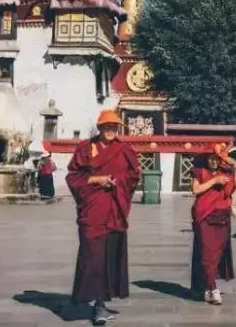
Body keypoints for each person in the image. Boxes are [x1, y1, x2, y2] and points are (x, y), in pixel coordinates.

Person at [67, 110, 141, 326]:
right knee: (93, 256)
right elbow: (73, 177)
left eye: (114, 126)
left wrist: (118, 180)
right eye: (106, 126)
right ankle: (95, 301)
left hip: (115, 211)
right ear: (99, 127)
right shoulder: (85, 148)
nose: (110, 130)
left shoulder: (124, 149)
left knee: (109, 257)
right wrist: (96, 179)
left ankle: (101, 302)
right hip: (93, 211)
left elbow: (134, 175)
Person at [190, 146, 236, 305]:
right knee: (207, 254)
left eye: (216, 158)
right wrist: (214, 181)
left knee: (216, 254)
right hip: (204, 217)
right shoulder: (200, 172)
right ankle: (213, 288)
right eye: (211, 158)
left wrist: (230, 163)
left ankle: (208, 289)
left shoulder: (226, 172)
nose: (213, 161)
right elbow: (196, 190)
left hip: (222, 217)